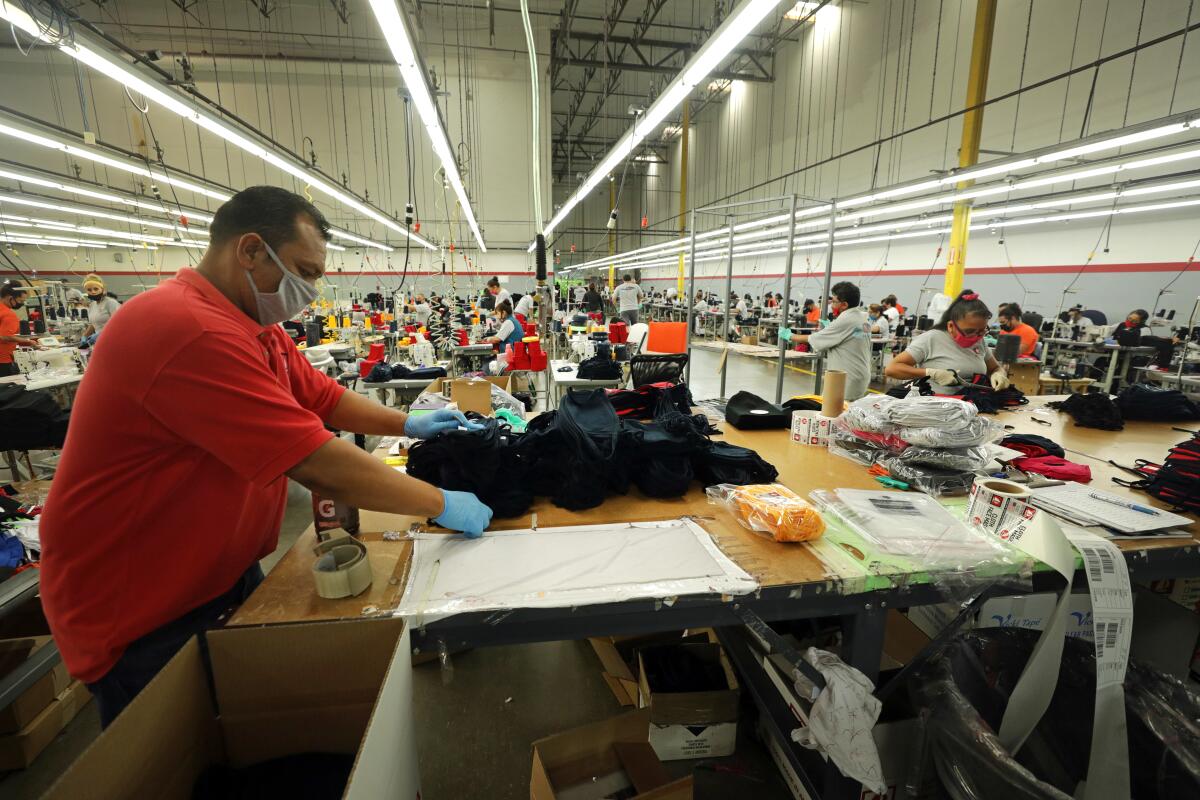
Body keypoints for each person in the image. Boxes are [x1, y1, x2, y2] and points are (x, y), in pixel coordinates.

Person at [38, 186, 493, 727]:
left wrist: (407, 422)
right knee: (188, 763)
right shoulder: (185, 328)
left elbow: (318, 394)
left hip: (214, 576)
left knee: (256, 732)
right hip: (142, 609)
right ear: (251, 250)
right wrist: (438, 501)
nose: (311, 289)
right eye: (303, 270)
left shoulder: (253, 326)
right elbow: (315, 461)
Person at [885, 289, 1010, 393]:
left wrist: (999, 374)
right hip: (936, 408)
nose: (976, 337)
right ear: (951, 326)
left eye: (982, 331)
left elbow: (995, 368)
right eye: (970, 331)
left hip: (972, 406)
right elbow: (892, 369)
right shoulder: (931, 339)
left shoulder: (980, 342)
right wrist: (930, 373)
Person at [783, 282, 872, 400]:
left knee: (834, 412)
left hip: (847, 378)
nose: (832, 305)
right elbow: (851, 336)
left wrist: (789, 335)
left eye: (834, 302)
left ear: (844, 304)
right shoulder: (863, 316)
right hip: (860, 375)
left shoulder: (846, 319)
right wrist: (832, 326)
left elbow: (814, 339)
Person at [0, 282, 38, 376]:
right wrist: (29, 342)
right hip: (3, 359)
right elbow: (5, 337)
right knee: (7, 388)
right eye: (20, 301)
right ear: (10, 298)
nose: (21, 304)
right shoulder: (8, 314)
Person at [81, 274, 121, 344]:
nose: (93, 292)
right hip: (100, 342)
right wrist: (85, 336)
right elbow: (94, 324)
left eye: (96, 289)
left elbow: (118, 324)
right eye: (89, 290)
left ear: (102, 289)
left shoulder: (110, 303)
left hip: (113, 341)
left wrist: (101, 334)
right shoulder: (92, 305)